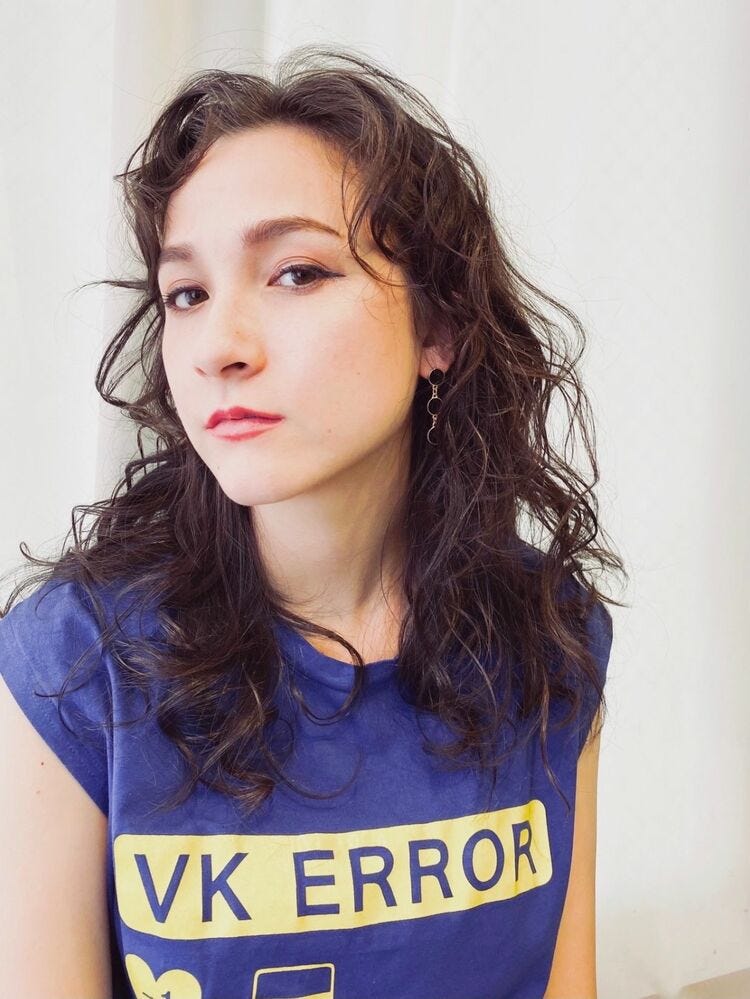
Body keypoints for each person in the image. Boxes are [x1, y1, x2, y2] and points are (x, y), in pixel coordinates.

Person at [0, 43, 626, 999]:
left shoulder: (551, 635)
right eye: (187, 293)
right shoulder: (76, 665)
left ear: (438, 326)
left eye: (295, 273)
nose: (218, 345)